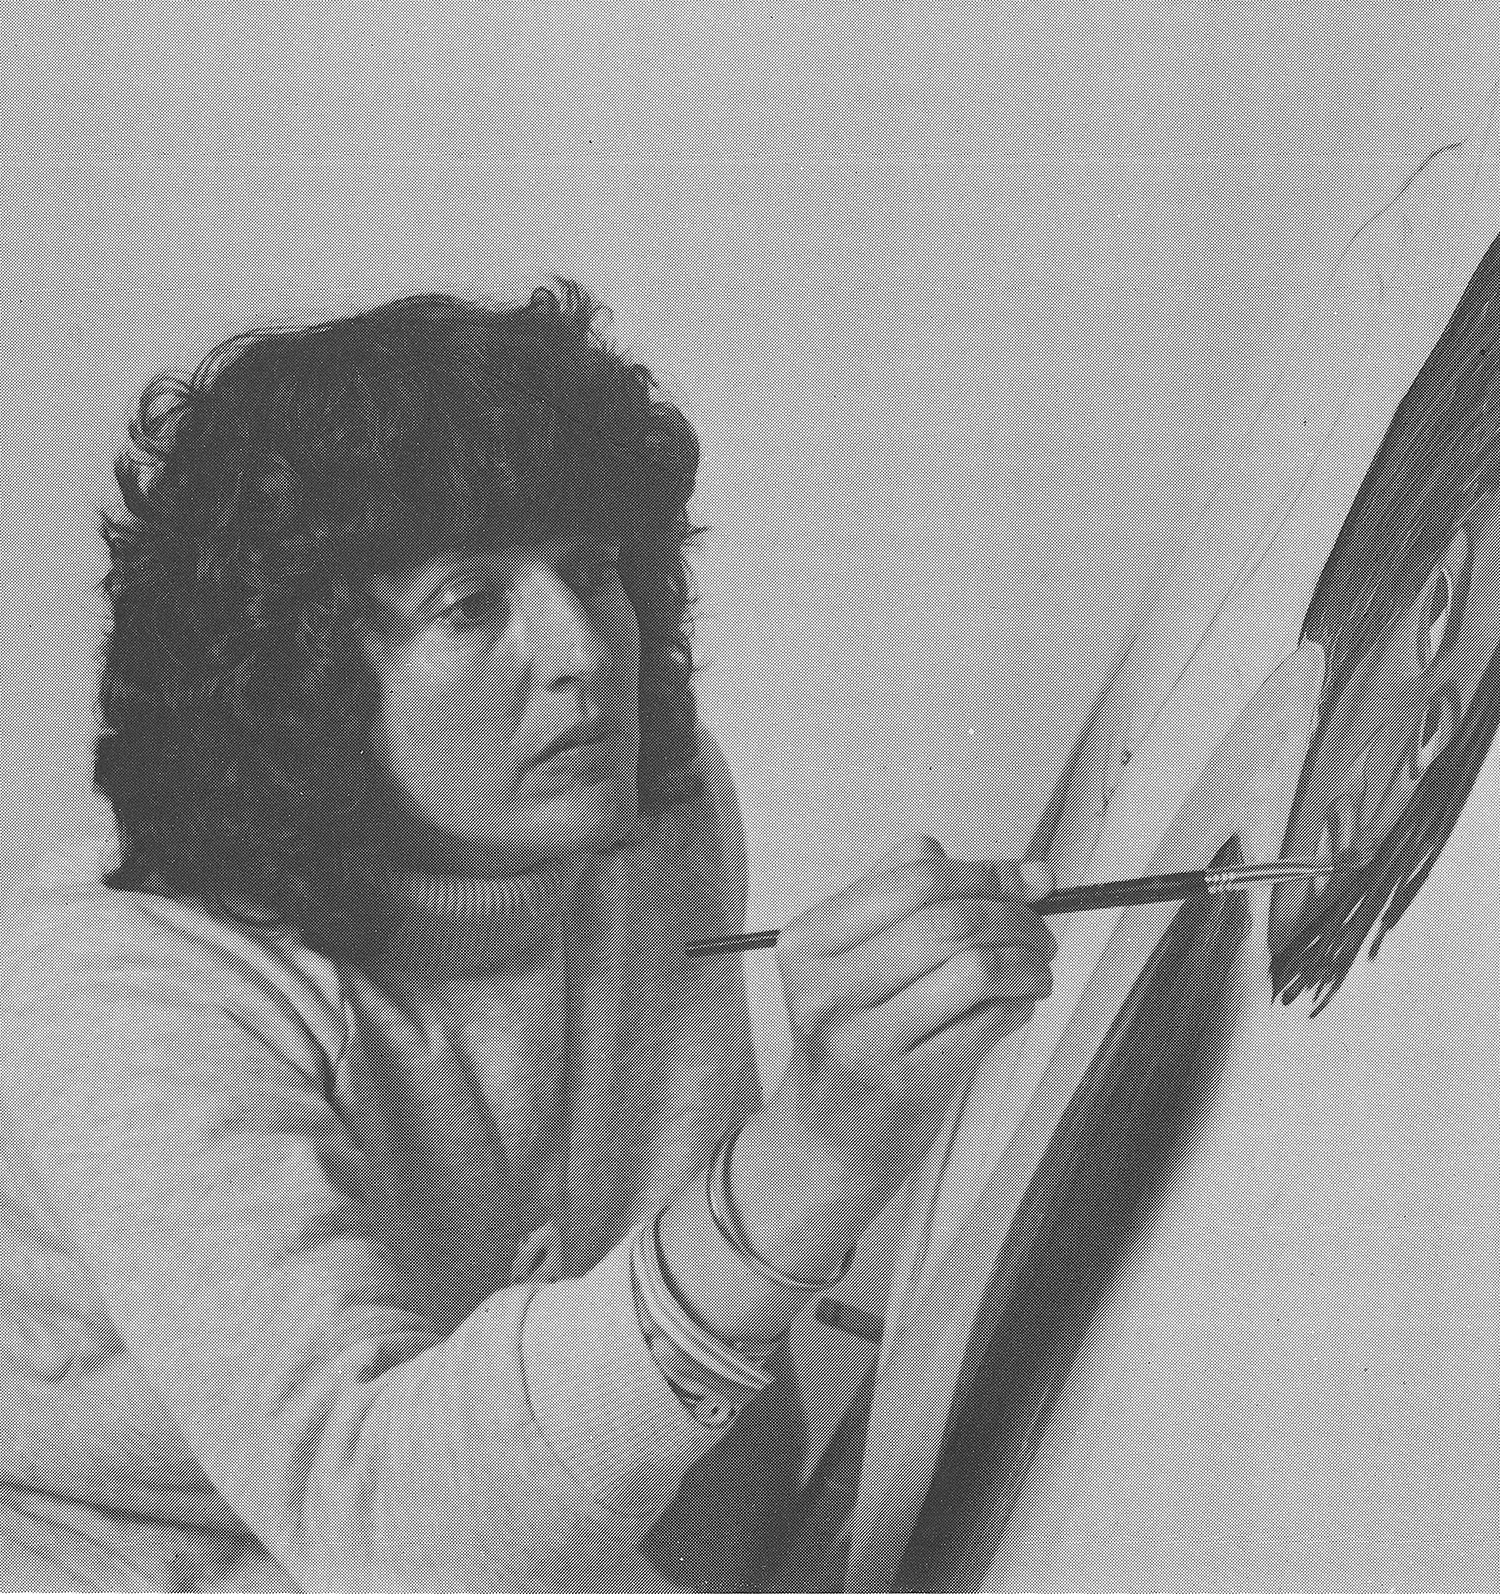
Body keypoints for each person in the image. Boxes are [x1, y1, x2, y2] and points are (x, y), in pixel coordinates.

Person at [0, 282, 1058, 1593]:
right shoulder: (124, 989)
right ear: (307, 672)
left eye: (590, 568)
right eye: (468, 604)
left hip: (478, 1510)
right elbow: (382, 1524)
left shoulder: (643, 813)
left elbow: (707, 1397)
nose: (581, 653)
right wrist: (813, 1154)